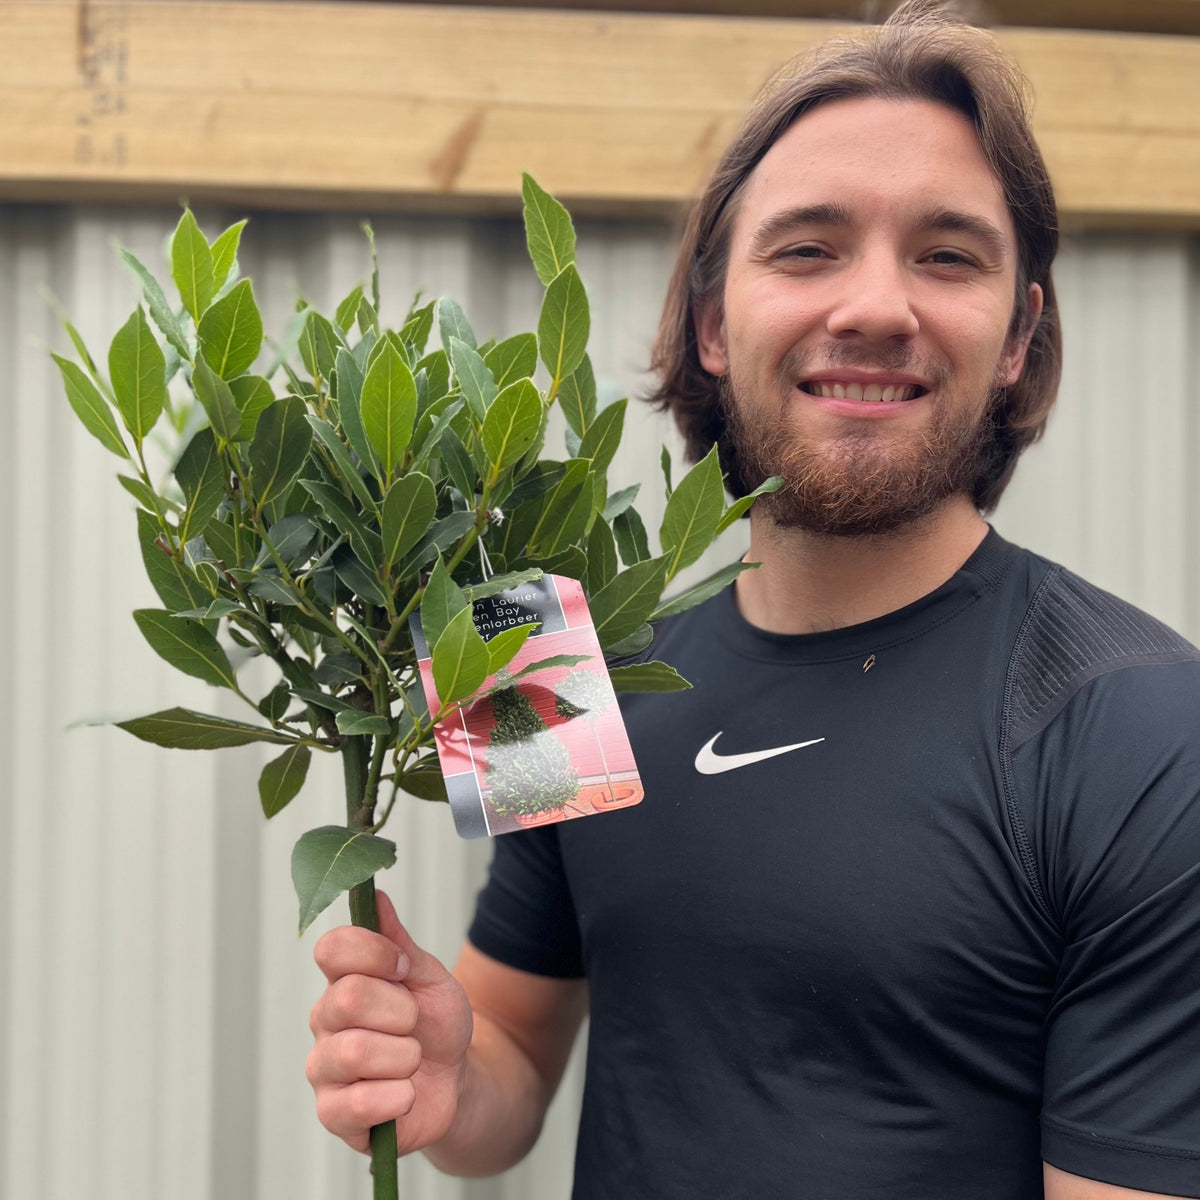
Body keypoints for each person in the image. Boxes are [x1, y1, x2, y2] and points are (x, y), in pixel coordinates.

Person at [306, 2, 1200, 1196]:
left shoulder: (1147, 732)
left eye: (947, 254)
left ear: (1022, 336)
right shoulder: (543, 657)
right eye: (808, 248)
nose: (876, 306)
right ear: (713, 321)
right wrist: (446, 1081)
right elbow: (508, 1059)